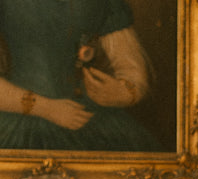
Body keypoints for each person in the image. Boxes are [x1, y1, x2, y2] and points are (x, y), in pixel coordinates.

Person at [0, 0, 161, 152]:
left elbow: (132, 70)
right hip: (21, 116)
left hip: (88, 118)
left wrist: (121, 92)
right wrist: (46, 108)